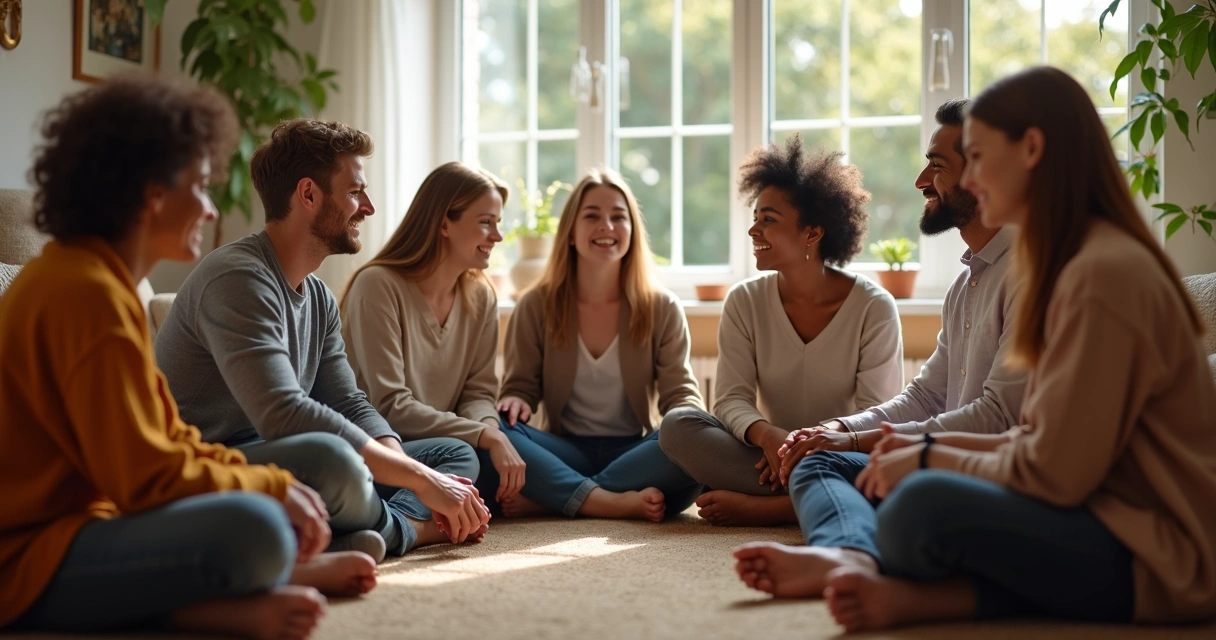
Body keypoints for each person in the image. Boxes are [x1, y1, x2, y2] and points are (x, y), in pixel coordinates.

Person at [739, 66, 1216, 632]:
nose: (971, 177)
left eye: (981, 156)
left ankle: (889, 568)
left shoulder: (1097, 271)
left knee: (919, 507)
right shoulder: (1063, 263)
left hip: (1156, 552)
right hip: (1093, 509)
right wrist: (875, 441)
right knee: (899, 490)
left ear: (1032, 150)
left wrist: (925, 456)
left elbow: (1054, 469)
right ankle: (930, 596)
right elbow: (1034, 436)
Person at [0, 73, 376, 639]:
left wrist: (271, 485)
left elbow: (170, 441)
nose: (207, 208)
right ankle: (213, 603)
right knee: (257, 528)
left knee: (266, 514)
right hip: (25, 558)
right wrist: (271, 486)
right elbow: (146, 477)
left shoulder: (103, 282)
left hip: (91, 521)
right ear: (153, 192)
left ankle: (237, 591)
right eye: (199, 187)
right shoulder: (84, 291)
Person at [155, 119, 491, 560]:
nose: (367, 207)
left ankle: (365, 527)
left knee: (453, 454)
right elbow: (283, 413)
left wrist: (407, 468)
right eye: (354, 193)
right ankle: (408, 530)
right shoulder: (238, 276)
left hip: (282, 455)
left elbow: (349, 402)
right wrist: (420, 482)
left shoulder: (318, 297)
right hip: (212, 462)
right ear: (309, 195)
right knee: (334, 462)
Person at [733, 98, 1029, 586]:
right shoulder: (966, 284)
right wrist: (833, 429)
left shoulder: (1029, 272)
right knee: (816, 462)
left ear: (982, 172)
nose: (919, 182)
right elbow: (924, 395)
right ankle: (849, 554)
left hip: (987, 467)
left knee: (885, 491)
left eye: (936, 166)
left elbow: (997, 416)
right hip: (932, 456)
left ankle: (818, 528)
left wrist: (854, 440)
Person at [659, 135, 904, 527]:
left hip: (839, 455)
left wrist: (809, 445)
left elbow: (876, 418)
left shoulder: (874, 307)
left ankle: (771, 508)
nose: (755, 231)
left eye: (769, 220)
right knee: (677, 427)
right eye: (755, 218)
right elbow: (730, 400)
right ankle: (813, 499)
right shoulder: (744, 301)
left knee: (886, 464)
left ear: (812, 233)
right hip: (765, 455)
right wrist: (770, 436)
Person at [489, 168, 703, 521]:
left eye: (619, 217)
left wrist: (690, 425)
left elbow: (680, 394)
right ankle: (608, 500)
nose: (607, 226)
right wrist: (514, 400)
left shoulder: (661, 307)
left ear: (632, 233)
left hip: (633, 450)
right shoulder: (536, 305)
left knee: (694, 441)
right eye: (592, 216)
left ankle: (558, 498)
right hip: (563, 449)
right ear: (571, 232)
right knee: (494, 428)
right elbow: (520, 389)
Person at [340, 162, 528, 507]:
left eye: (497, 224)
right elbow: (390, 407)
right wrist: (483, 435)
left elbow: (478, 392)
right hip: (384, 449)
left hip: (448, 438)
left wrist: (492, 431)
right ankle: (400, 526)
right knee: (463, 457)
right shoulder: (378, 286)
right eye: (486, 222)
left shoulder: (481, 294)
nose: (497, 237)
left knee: (522, 444)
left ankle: (540, 501)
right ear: (444, 223)